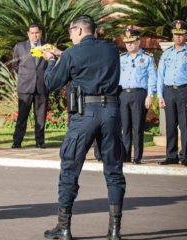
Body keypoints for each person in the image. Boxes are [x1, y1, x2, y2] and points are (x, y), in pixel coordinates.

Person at [42, 15, 126, 240]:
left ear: (79, 30)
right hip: (110, 112)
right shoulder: (111, 49)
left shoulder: (71, 53)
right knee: (114, 171)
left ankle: (64, 227)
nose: (70, 36)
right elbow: (92, 62)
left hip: (84, 114)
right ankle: (115, 230)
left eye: (70, 31)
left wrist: (52, 60)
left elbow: (50, 83)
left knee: (70, 168)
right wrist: (65, 56)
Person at [119, 28, 157, 165]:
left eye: (132, 42)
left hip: (139, 94)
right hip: (123, 94)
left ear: (138, 41)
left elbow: (152, 78)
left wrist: (150, 95)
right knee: (125, 126)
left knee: (138, 126)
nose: (129, 45)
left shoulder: (147, 57)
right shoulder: (121, 58)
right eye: (127, 42)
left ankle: (137, 156)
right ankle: (125, 155)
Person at [11, 24, 49, 149]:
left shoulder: (47, 47)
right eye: (32, 33)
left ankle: (40, 141)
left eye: (37, 33)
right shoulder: (20, 47)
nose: (35, 35)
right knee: (22, 116)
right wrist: (26, 76)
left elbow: (51, 65)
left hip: (41, 87)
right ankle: (17, 141)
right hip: (25, 87)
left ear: (41, 33)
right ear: (28, 34)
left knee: (41, 117)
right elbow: (15, 65)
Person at [157, 20, 187, 166]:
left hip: (184, 91)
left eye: (181, 35)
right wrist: (160, 95)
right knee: (170, 125)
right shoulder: (167, 53)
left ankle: (185, 156)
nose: (178, 37)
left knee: (185, 125)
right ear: (172, 35)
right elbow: (160, 75)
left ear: (185, 35)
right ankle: (171, 155)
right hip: (169, 92)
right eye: (176, 34)